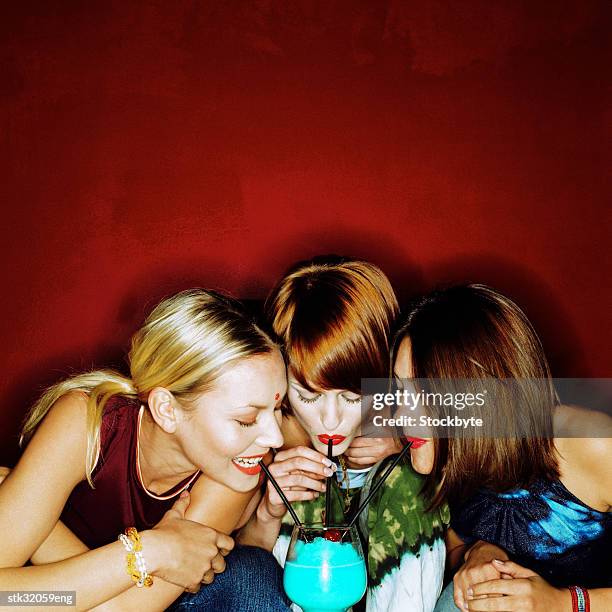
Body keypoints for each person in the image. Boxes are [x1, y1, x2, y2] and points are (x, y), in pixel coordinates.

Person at [0, 289, 291, 611]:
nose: (275, 438)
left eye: (279, 409)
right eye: (247, 419)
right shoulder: (88, 420)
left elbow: (119, 611)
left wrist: (44, 534)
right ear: (167, 409)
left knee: (252, 573)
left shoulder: (234, 471)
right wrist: (154, 550)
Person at [239, 257, 449, 612]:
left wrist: (404, 442)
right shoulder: (261, 437)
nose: (330, 420)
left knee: (406, 481)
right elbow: (241, 575)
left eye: (353, 397)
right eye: (308, 395)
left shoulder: (410, 414)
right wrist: (268, 512)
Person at [391, 284, 612, 612]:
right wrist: (481, 551)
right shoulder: (459, 452)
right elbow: (455, 542)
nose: (400, 416)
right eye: (399, 391)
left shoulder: (591, 441)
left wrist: (565, 602)